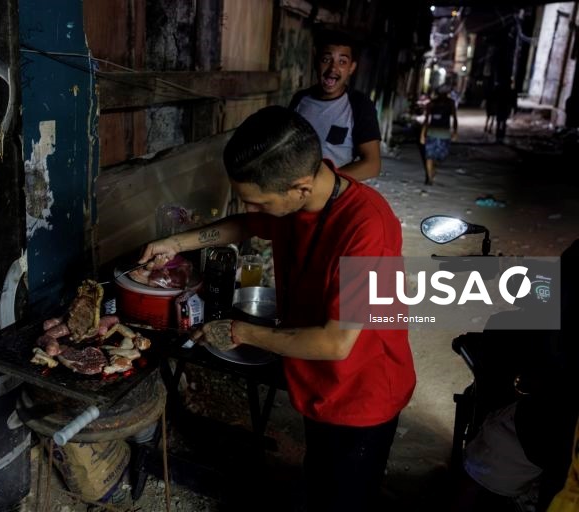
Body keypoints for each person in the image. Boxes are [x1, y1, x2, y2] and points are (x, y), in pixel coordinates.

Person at [139, 106, 416, 511]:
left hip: (361, 392)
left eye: (259, 202)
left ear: (300, 188)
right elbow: (245, 225)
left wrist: (241, 332)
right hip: (318, 380)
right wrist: (175, 243)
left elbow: (336, 343)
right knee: (320, 479)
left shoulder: (368, 228)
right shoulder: (299, 200)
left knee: (344, 496)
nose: (252, 211)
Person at [289, 29, 381, 181]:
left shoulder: (359, 105)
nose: (333, 68)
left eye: (342, 62)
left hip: (335, 193)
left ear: (351, 68)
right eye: (326, 60)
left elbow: (372, 165)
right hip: (296, 190)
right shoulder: (300, 99)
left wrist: (323, 183)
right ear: (315, 61)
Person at [420, 85, 458, 185]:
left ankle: (430, 174)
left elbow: (426, 120)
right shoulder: (446, 103)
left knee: (432, 157)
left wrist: (423, 134)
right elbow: (454, 118)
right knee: (432, 157)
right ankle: (429, 178)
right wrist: (455, 131)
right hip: (439, 133)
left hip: (437, 133)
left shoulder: (437, 103)